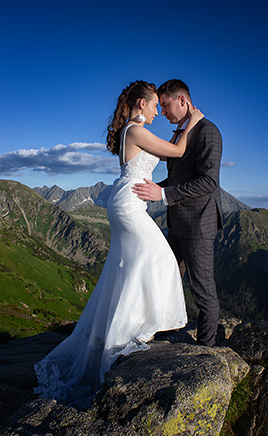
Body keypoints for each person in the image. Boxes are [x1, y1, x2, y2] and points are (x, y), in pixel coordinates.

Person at [33, 80, 203, 409]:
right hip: (127, 205)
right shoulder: (136, 129)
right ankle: (127, 338)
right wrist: (193, 120)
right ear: (141, 103)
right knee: (160, 258)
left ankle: (129, 330)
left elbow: (161, 151)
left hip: (127, 202)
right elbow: (179, 151)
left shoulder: (134, 129)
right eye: (154, 104)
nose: (157, 110)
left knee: (134, 264)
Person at [132, 79, 223, 347]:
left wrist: (161, 194)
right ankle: (163, 333)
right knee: (166, 277)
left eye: (166, 105)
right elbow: (177, 177)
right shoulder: (179, 133)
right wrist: (151, 188)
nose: (163, 112)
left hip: (198, 225)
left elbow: (209, 182)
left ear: (182, 100)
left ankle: (207, 349)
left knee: (202, 289)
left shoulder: (208, 131)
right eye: (159, 106)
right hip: (177, 223)